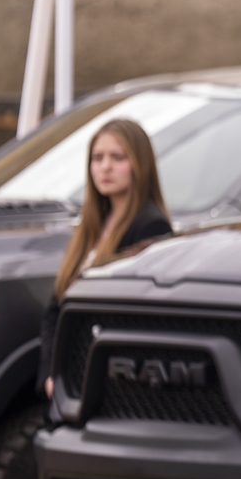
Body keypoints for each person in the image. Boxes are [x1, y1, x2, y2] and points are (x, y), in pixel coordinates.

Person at [39, 118, 172, 399]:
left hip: (107, 386)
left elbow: (136, 320)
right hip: (67, 381)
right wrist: (51, 374)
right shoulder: (90, 226)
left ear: (140, 164)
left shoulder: (151, 226)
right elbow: (55, 308)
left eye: (118, 157)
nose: (105, 167)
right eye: (97, 158)